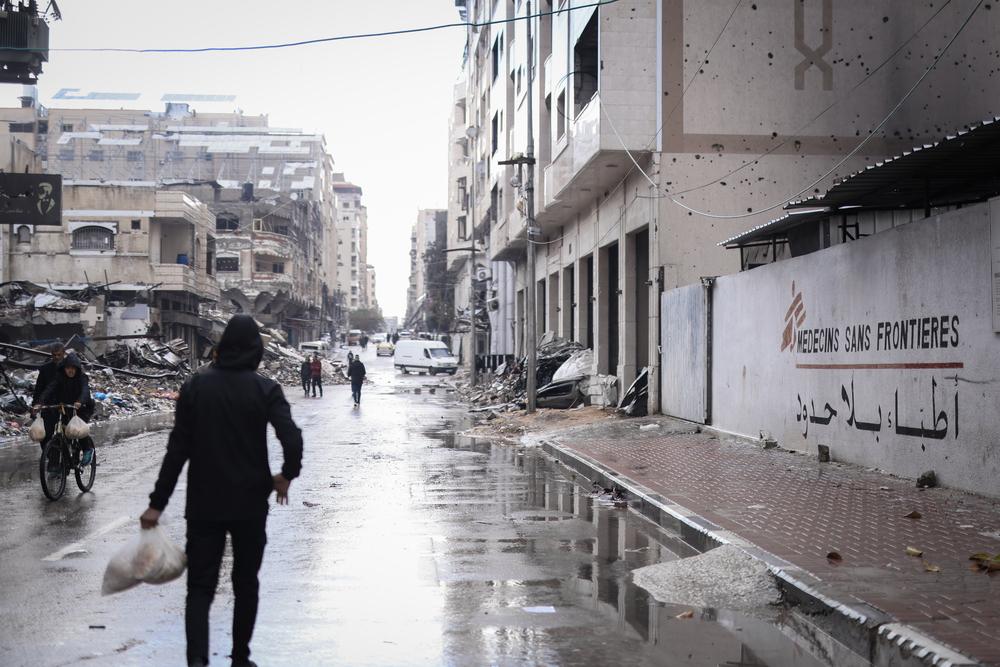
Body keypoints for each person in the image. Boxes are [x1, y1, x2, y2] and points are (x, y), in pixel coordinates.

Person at [140, 315, 303, 667]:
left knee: (200, 587)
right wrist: (286, 475)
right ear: (257, 350)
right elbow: (292, 437)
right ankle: (240, 658)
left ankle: (197, 660)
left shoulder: (196, 386)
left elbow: (177, 448)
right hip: (250, 504)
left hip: (204, 504)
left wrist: (157, 504)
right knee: (246, 583)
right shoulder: (266, 389)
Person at [34, 352, 96, 469]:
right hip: (65, 406)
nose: (70, 371)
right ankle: (58, 464)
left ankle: (88, 449)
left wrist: (80, 401)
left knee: (78, 429)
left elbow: (85, 391)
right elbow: (49, 389)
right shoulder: (59, 377)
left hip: (81, 407)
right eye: (68, 368)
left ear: (77, 369)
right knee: (62, 431)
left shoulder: (82, 377)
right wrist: (40, 402)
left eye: (73, 368)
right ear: (64, 368)